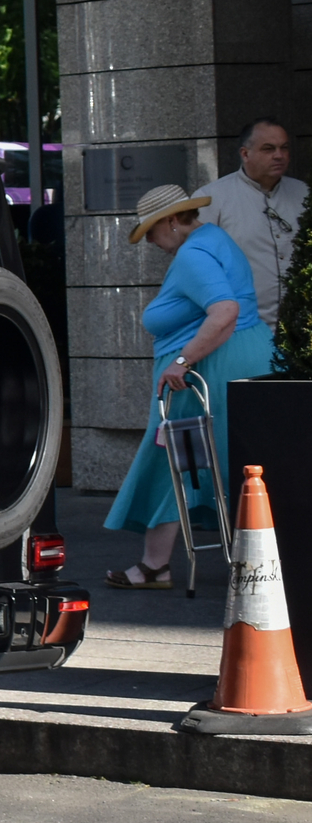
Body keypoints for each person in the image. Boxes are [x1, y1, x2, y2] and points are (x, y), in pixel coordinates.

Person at [104, 183, 275, 588]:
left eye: (151, 231)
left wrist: (182, 360)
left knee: (171, 456)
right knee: (232, 457)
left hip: (205, 372)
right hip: (239, 358)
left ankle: (154, 566)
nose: (150, 242)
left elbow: (225, 311)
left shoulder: (193, 255)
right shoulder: (215, 238)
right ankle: (161, 563)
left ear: (172, 221)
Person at [198, 118, 305, 328]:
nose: (279, 155)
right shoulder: (211, 198)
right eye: (268, 149)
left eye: (284, 148)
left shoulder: (304, 193)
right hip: (243, 329)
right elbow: (200, 269)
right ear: (245, 154)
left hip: (300, 330)